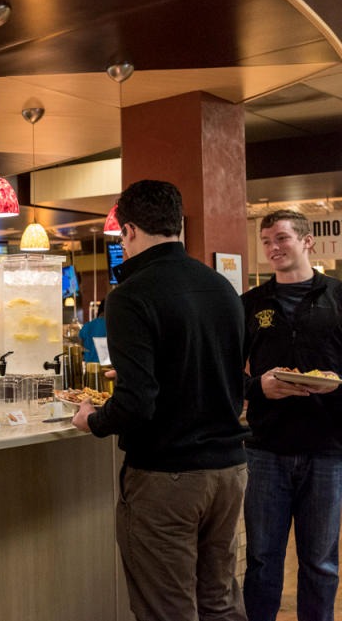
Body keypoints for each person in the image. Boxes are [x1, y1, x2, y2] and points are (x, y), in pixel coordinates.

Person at [72, 180, 250, 621]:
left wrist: (93, 420)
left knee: (168, 609)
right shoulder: (222, 289)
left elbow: (137, 405)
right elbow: (219, 374)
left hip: (168, 476)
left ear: (128, 231)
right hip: (229, 471)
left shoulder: (131, 295)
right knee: (221, 602)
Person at [241, 210, 342, 621]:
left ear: (307, 242)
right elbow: (225, 370)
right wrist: (256, 388)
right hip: (266, 449)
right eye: (265, 241)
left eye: (281, 238)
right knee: (263, 561)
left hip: (328, 448)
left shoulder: (338, 297)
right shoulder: (251, 304)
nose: (272, 248)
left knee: (320, 562)